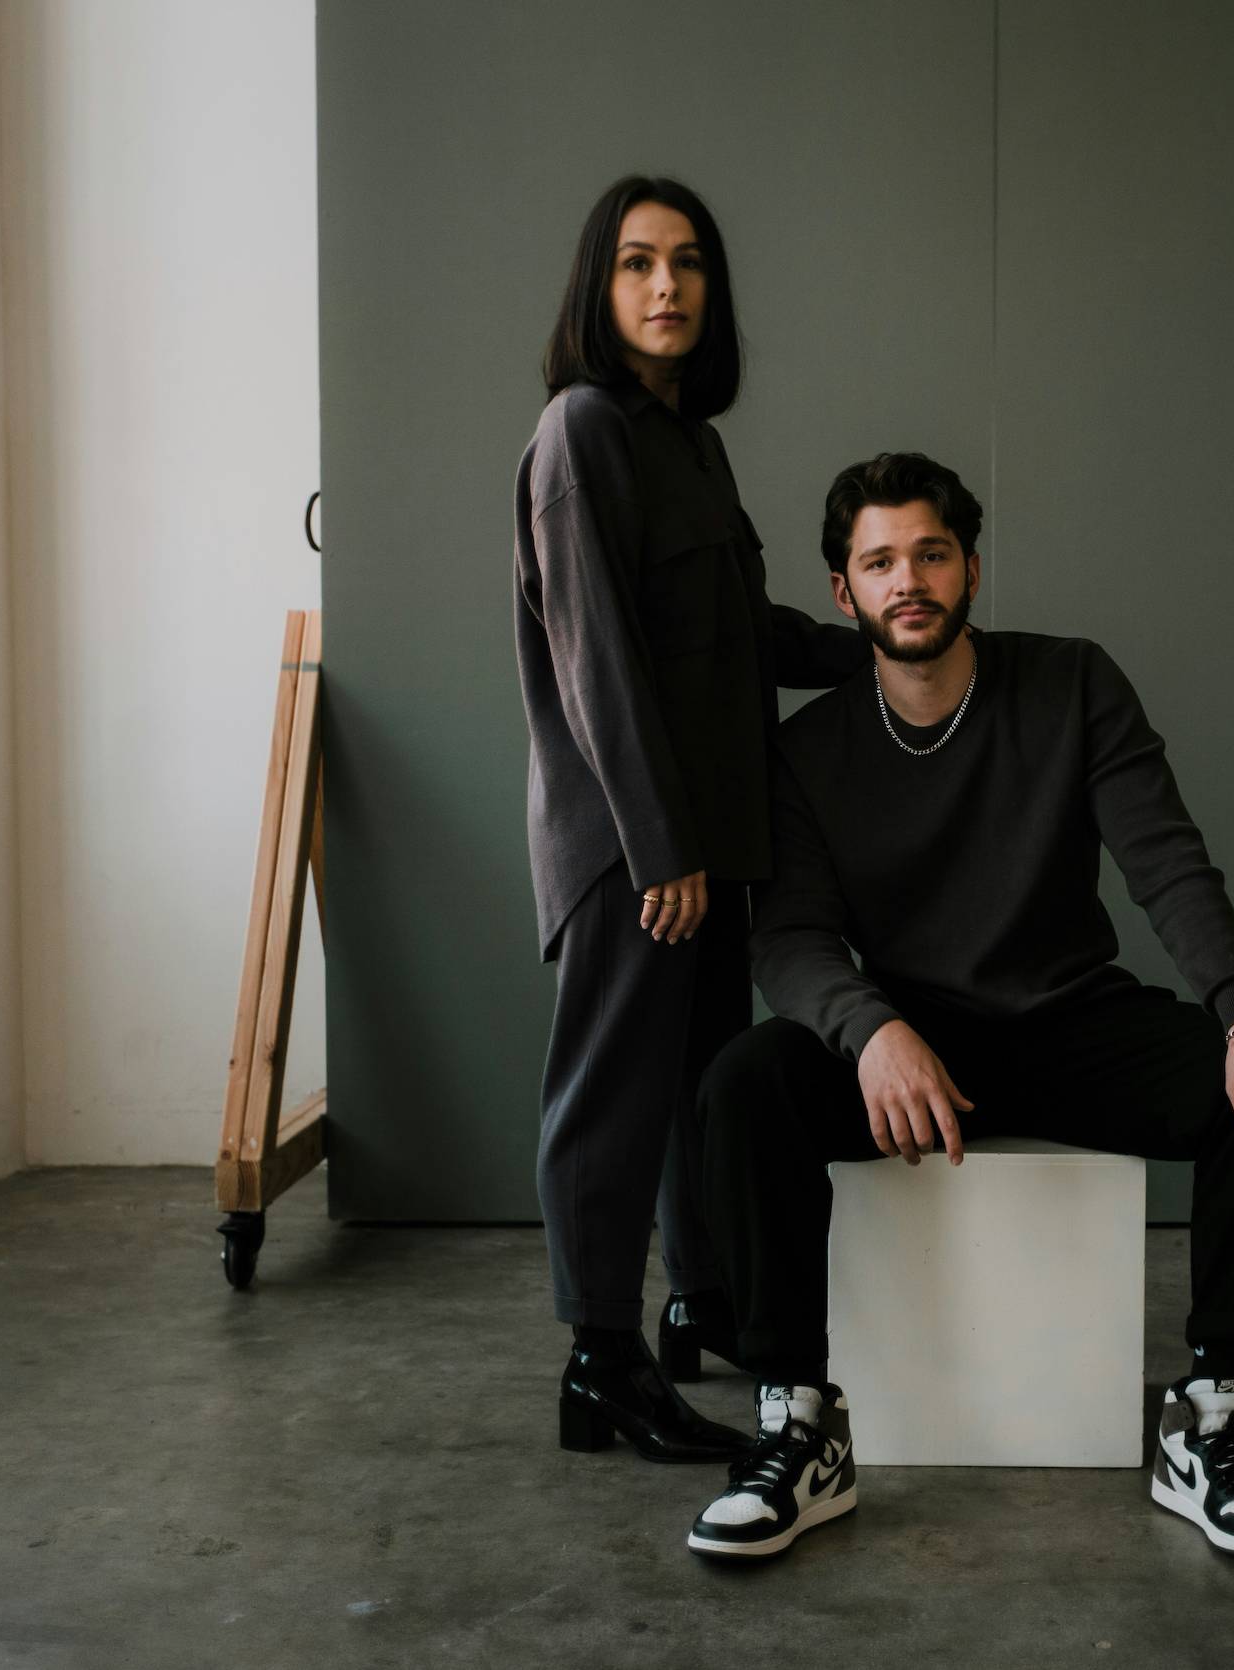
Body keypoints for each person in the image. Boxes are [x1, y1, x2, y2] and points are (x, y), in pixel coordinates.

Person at [683, 452, 1234, 1558]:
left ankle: (1210, 1410)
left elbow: (1165, 860)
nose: (908, 580)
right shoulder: (806, 749)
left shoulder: (1070, 682)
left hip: (1068, 1019)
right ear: (843, 593)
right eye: (878, 561)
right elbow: (787, 936)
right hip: (906, 1045)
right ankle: (800, 1421)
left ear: (970, 567)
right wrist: (873, 1028)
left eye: (930, 552)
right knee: (747, 1084)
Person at [510, 176, 866, 1463]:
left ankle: (698, 1306)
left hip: (712, 849)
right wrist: (658, 849)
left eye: (690, 263)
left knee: (700, 1098)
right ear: (597, 293)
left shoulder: (691, 447)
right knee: (611, 1099)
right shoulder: (581, 433)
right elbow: (594, 655)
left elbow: (736, 633)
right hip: (634, 851)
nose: (667, 286)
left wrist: (871, 643)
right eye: (636, 263)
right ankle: (599, 1362)